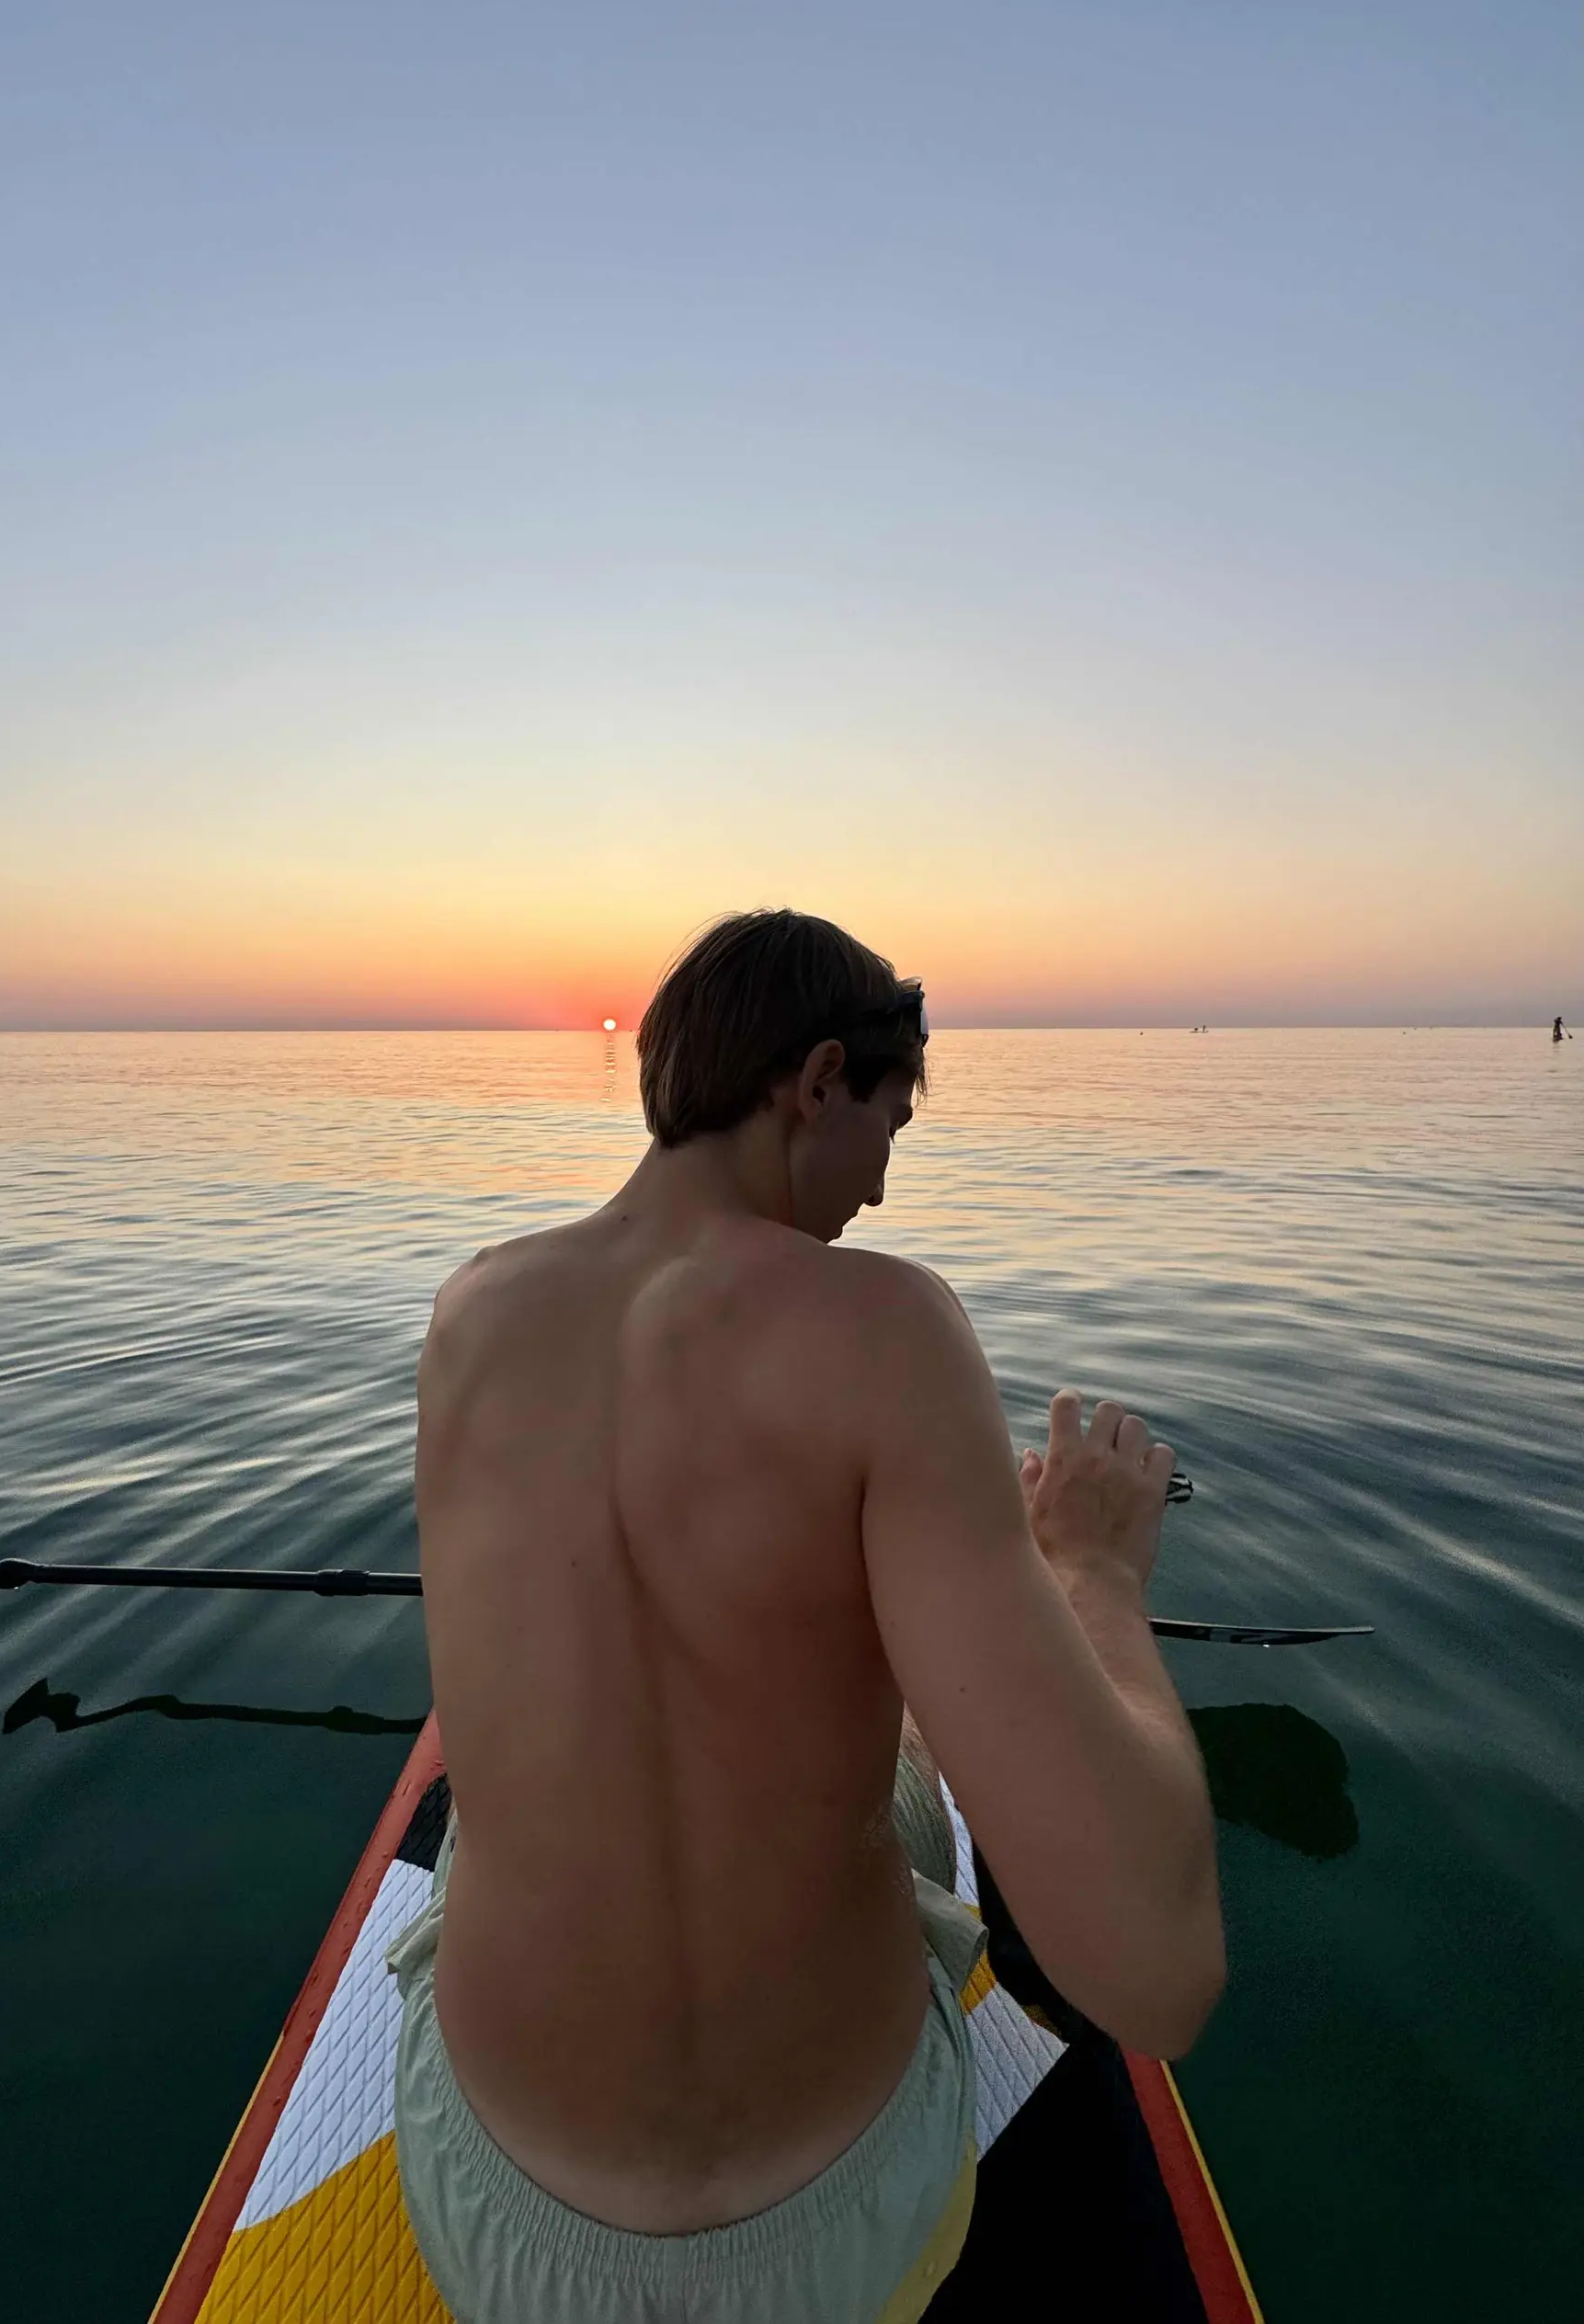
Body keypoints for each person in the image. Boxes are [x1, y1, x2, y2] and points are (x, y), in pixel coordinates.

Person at [391, 909, 1225, 2322]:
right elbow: (1161, 1979)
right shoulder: (888, 1327)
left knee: (494, 1802)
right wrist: (1089, 1573)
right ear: (822, 1080)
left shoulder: (471, 1309)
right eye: (891, 1129)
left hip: (494, 2219)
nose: (882, 1191)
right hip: (828, 2246)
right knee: (910, 1763)